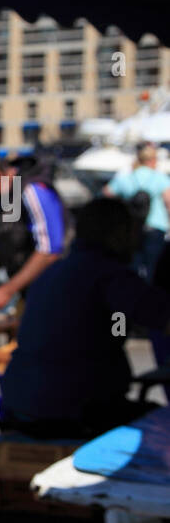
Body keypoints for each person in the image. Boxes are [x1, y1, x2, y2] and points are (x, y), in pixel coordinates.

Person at [0, 196, 170, 440]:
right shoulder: (109, 274)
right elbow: (161, 316)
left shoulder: (55, 271)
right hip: (72, 412)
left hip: (21, 404)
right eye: (133, 231)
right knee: (160, 428)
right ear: (119, 233)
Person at [0, 153, 66, 313]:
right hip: (30, 295)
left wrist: (5, 291)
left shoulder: (32, 191)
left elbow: (50, 250)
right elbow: (5, 240)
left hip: (57, 294)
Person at [104, 141, 170, 366]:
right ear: (152, 160)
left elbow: (106, 194)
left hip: (132, 234)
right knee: (154, 280)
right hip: (156, 231)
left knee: (127, 280)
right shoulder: (159, 178)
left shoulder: (128, 178)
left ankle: (121, 329)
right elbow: (169, 201)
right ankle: (150, 325)